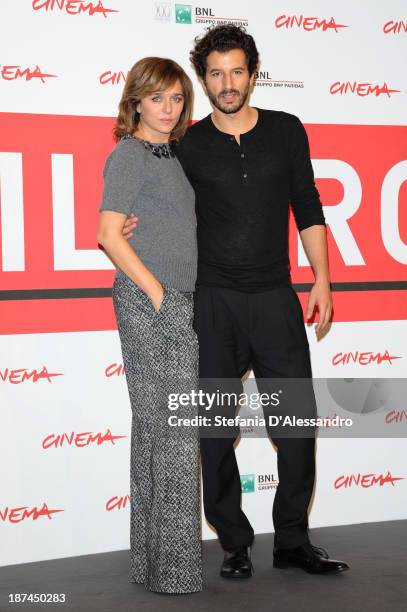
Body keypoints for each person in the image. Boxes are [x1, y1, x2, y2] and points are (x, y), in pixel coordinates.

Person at [123, 25, 349, 578]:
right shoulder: (188, 143)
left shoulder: (288, 131)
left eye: (237, 71)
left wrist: (322, 278)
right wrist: (132, 222)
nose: (227, 83)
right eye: (216, 73)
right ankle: (234, 543)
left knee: (297, 424)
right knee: (216, 430)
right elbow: (164, 204)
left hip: (276, 297)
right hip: (213, 301)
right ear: (205, 78)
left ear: (253, 72)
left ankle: (293, 538)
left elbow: (309, 205)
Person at [97, 57, 202, 594]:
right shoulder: (129, 154)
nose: (168, 109)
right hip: (151, 303)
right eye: (157, 98)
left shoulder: (172, 157)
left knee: (159, 432)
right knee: (175, 434)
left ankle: (152, 564)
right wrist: (159, 294)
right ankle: (176, 572)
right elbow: (109, 233)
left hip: (175, 300)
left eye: (178, 98)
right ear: (135, 101)